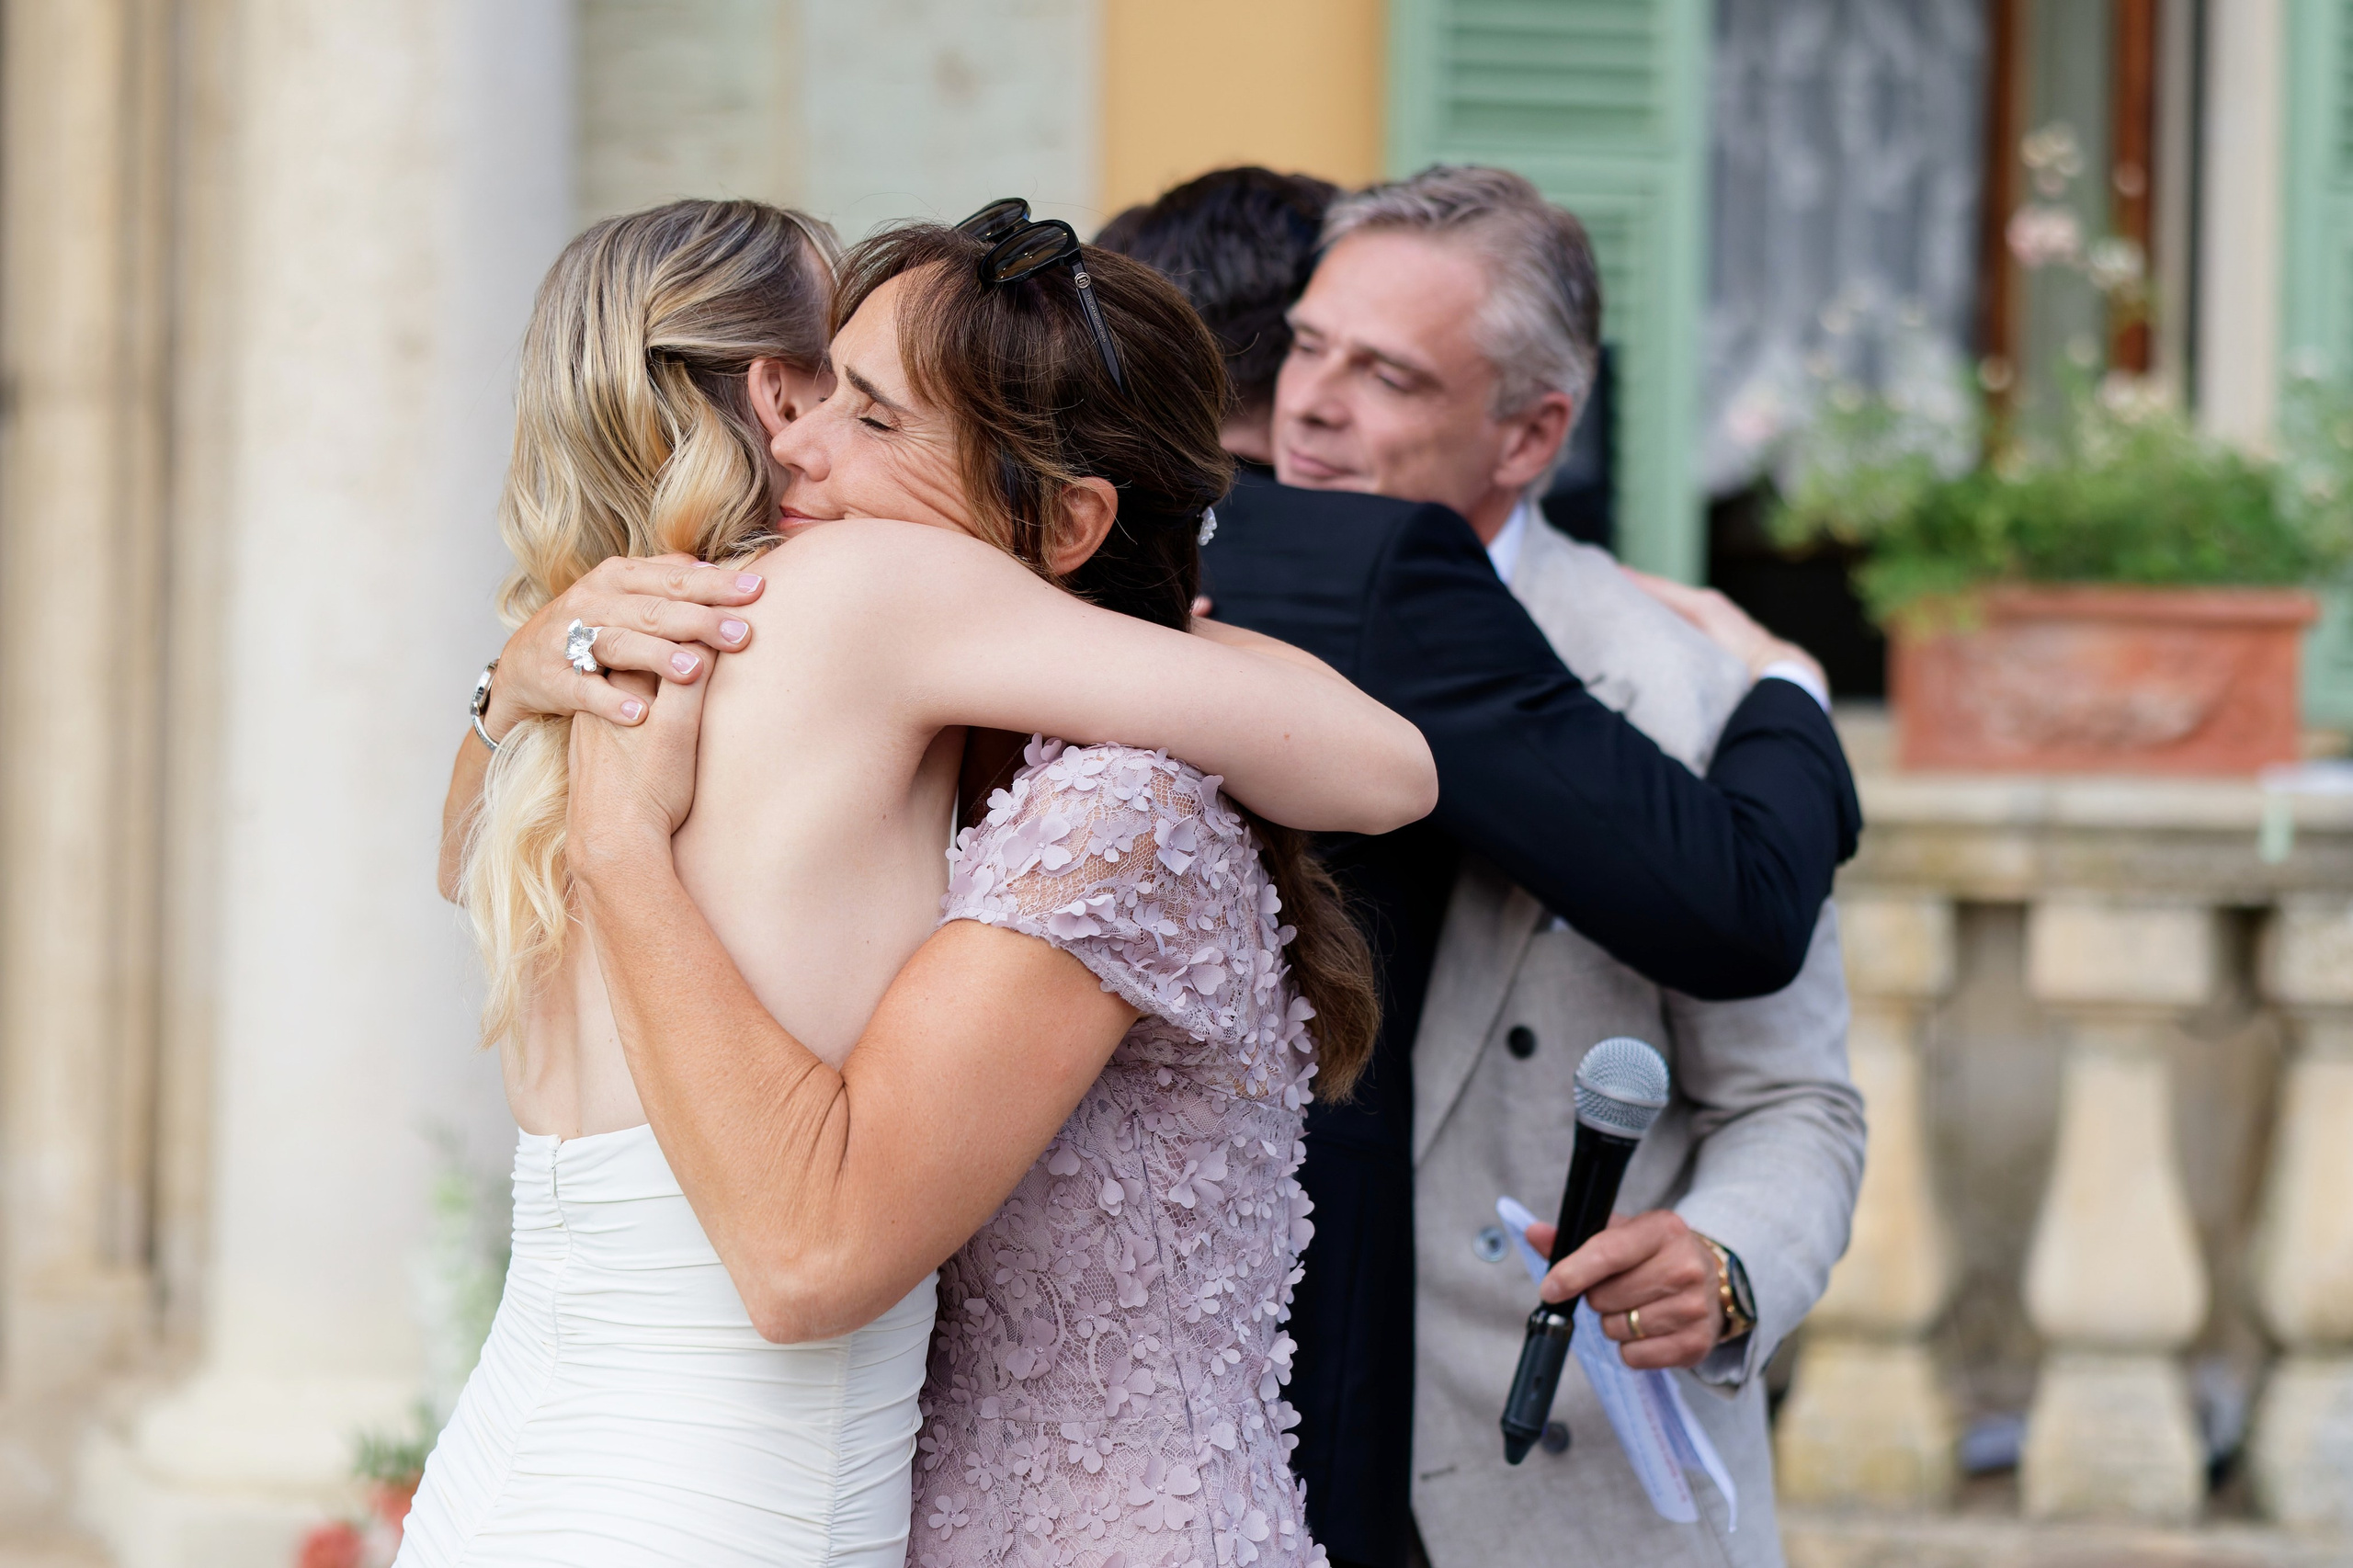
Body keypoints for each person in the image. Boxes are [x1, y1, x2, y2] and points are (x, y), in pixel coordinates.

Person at [403, 199, 1434, 1567]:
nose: (815, 437)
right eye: (829, 386)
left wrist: (506, 676)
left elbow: (450, 860)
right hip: (725, 1501)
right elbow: (1385, 770)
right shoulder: (869, 592)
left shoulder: (609, 661)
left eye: (872, 412)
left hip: (511, 1473)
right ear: (773, 389)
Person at [1098, 166, 1864, 1567]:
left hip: (1559, 1488)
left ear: (1531, 435)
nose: (1313, 406)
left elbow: (1797, 1096)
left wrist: (1732, 1261)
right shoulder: (1179, 609)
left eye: (1385, 375)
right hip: (1229, 1459)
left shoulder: (1679, 686)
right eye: (1307, 350)